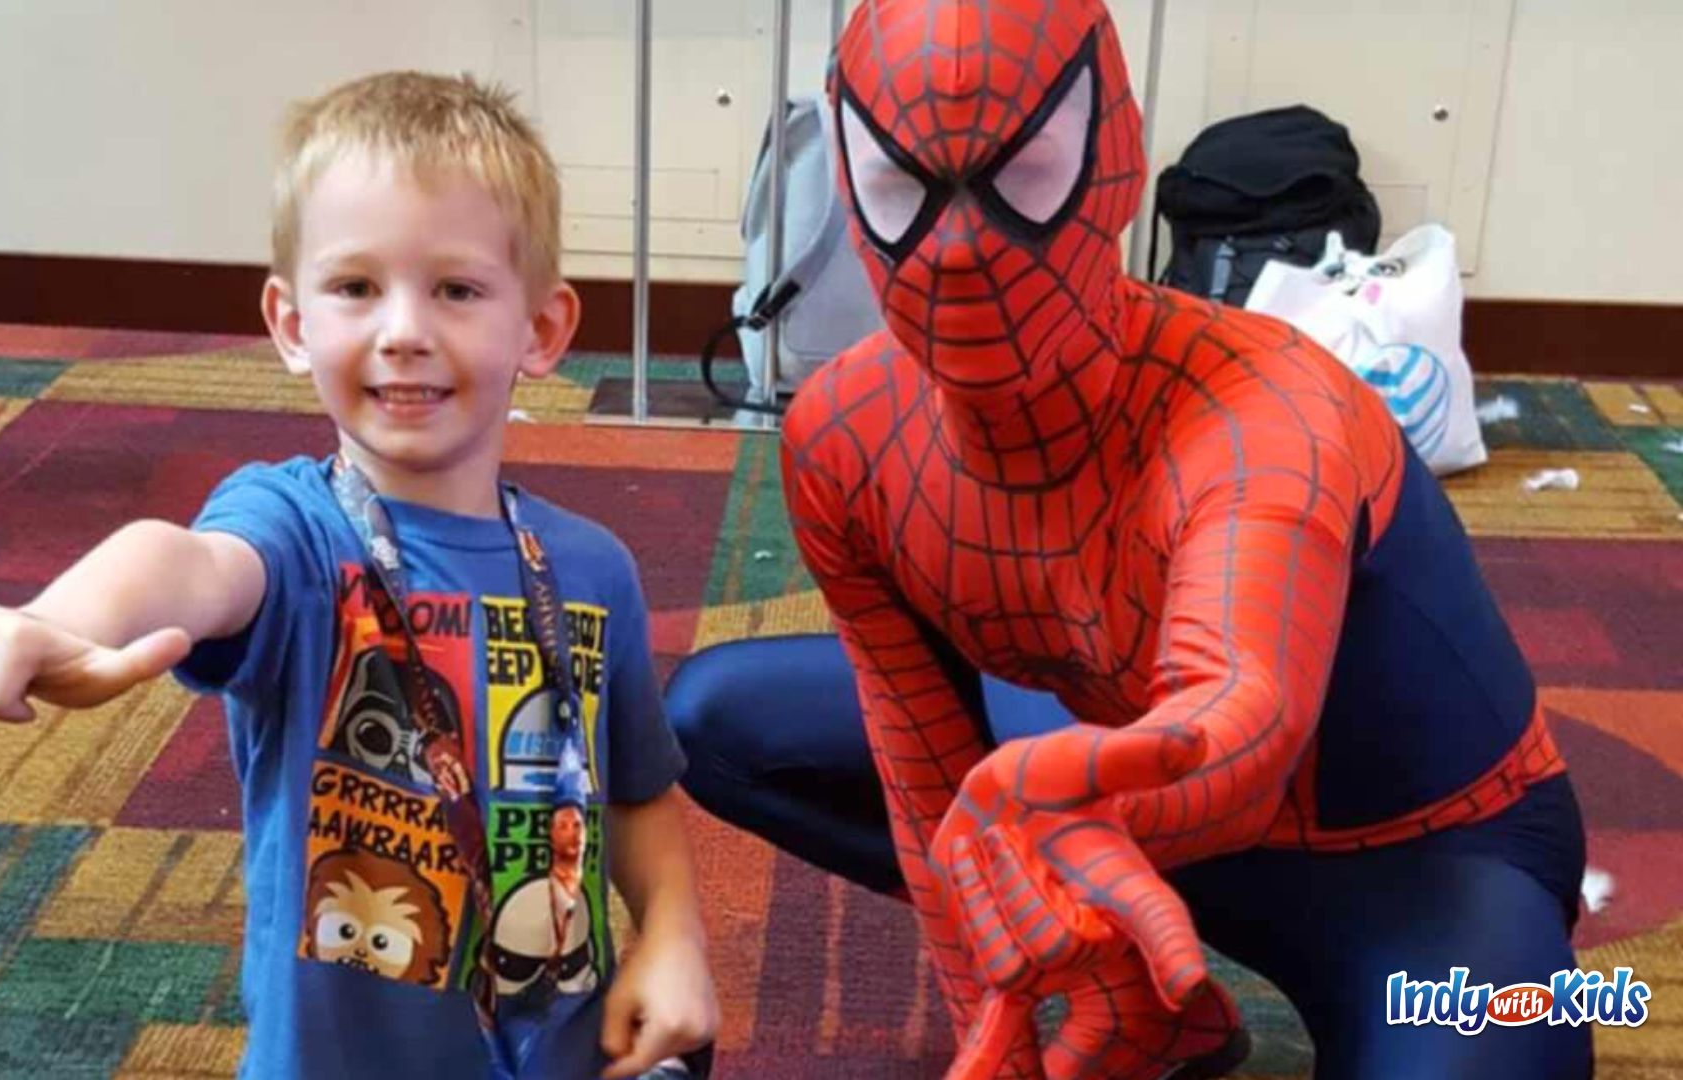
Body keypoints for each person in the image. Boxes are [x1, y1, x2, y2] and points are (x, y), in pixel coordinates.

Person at [664, 1, 1590, 1077]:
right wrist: (993, 1035)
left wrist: (1038, 809)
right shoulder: (845, 436)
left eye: (1025, 173)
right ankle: (1160, 1004)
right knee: (716, 721)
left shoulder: (1265, 413)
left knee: (1490, 1053)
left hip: (1424, 860)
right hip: (1124, 808)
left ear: (1116, 154)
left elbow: (1243, 717)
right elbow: (924, 773)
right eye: (899, 187)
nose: (959, 250)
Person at [0, 71, 717, 1080]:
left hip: (558, 1052)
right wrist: (54, 618)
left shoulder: (592, 571)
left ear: (540, 330)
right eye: (356, 287)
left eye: (456, 289)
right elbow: (183, 563)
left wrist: (673, 934)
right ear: (291, 323)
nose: (404, 328)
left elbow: (633, 790)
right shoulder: (295, 530)